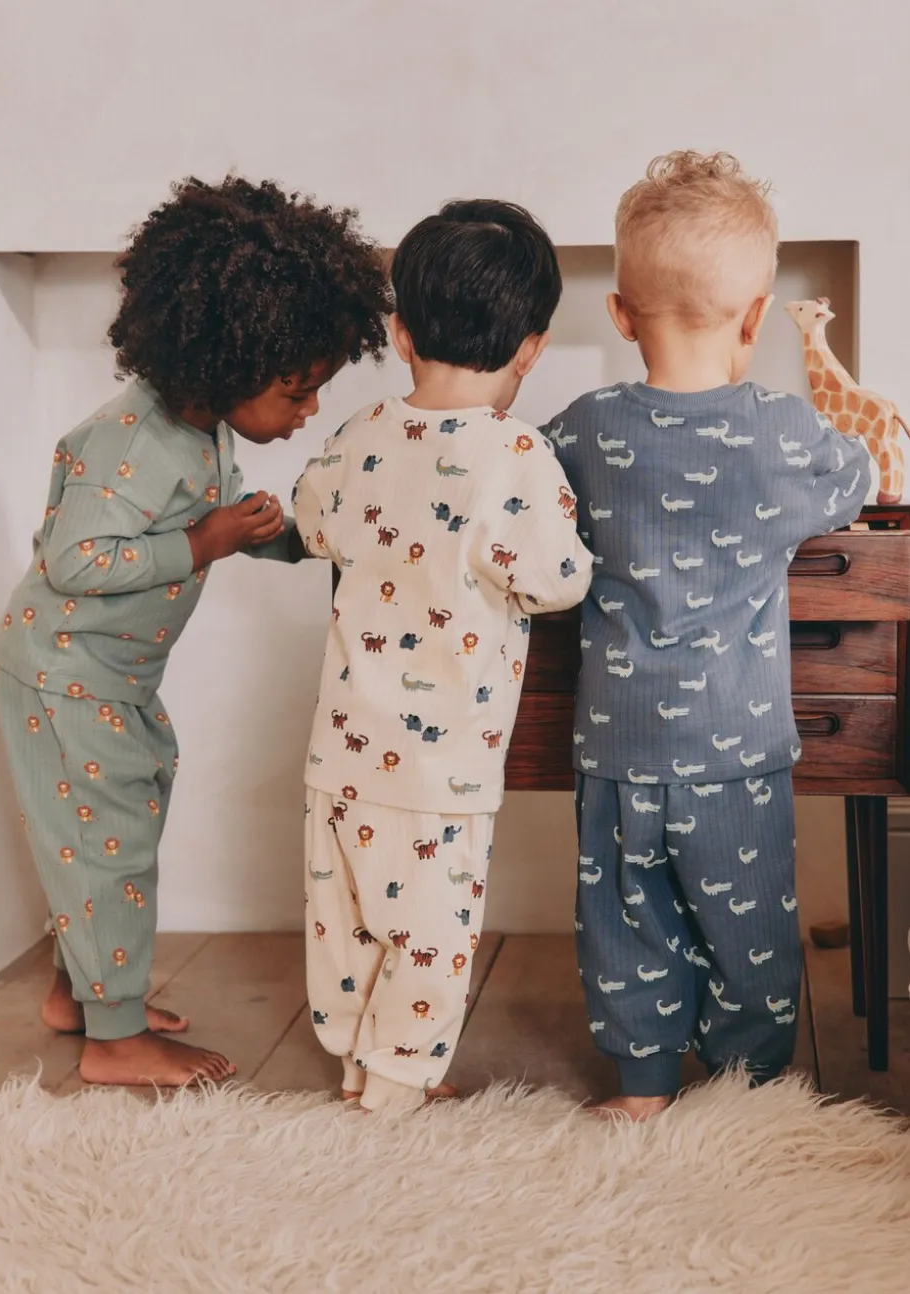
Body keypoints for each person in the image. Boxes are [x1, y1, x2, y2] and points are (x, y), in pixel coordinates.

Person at [0, 176, 391, 1087]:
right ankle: (114, 1041)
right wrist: (204, 541)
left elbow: (224, 516)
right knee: (108, 844)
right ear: (226, 356)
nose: (308, 410)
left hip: (109, 677)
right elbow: (75, 561)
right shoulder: (127, 442)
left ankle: (82, 998)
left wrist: (303, 538)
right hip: (63, 675)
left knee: (106, 833)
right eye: (297, 391)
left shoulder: (200, 428)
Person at [546, 152, 870, 1120]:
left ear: (619, 313)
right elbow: (860, 474)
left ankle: (643, 1085)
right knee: (749, 926)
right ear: (756, 316)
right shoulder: (782, 433)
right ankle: (747, 1087)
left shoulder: (582, 431)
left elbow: (521, 500)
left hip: (618, 742)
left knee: (625, 916)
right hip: (736, 748)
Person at [292, 200, 593, 1111]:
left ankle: (355, 1061)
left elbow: (312, 522)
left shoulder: (359, 437)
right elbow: (560, 580)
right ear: (532, 349)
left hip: (340, 751)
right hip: (442, 767)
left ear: (401, 335)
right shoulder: (517, 454)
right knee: (430, 929)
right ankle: (396, 1083)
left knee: (344, 924)